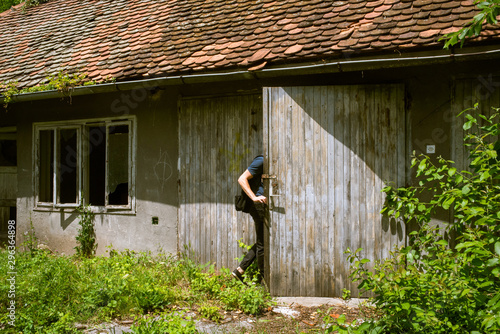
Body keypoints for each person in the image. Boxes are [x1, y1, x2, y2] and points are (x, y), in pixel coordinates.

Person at [232, 154, 267, 285]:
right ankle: (264, 281)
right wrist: (254, 198)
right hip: (257, 206)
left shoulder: (271, 162)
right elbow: (242, 179)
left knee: (262, 240)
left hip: (263, 206)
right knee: (263, 243)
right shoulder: (261, 160)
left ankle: (240, 270)